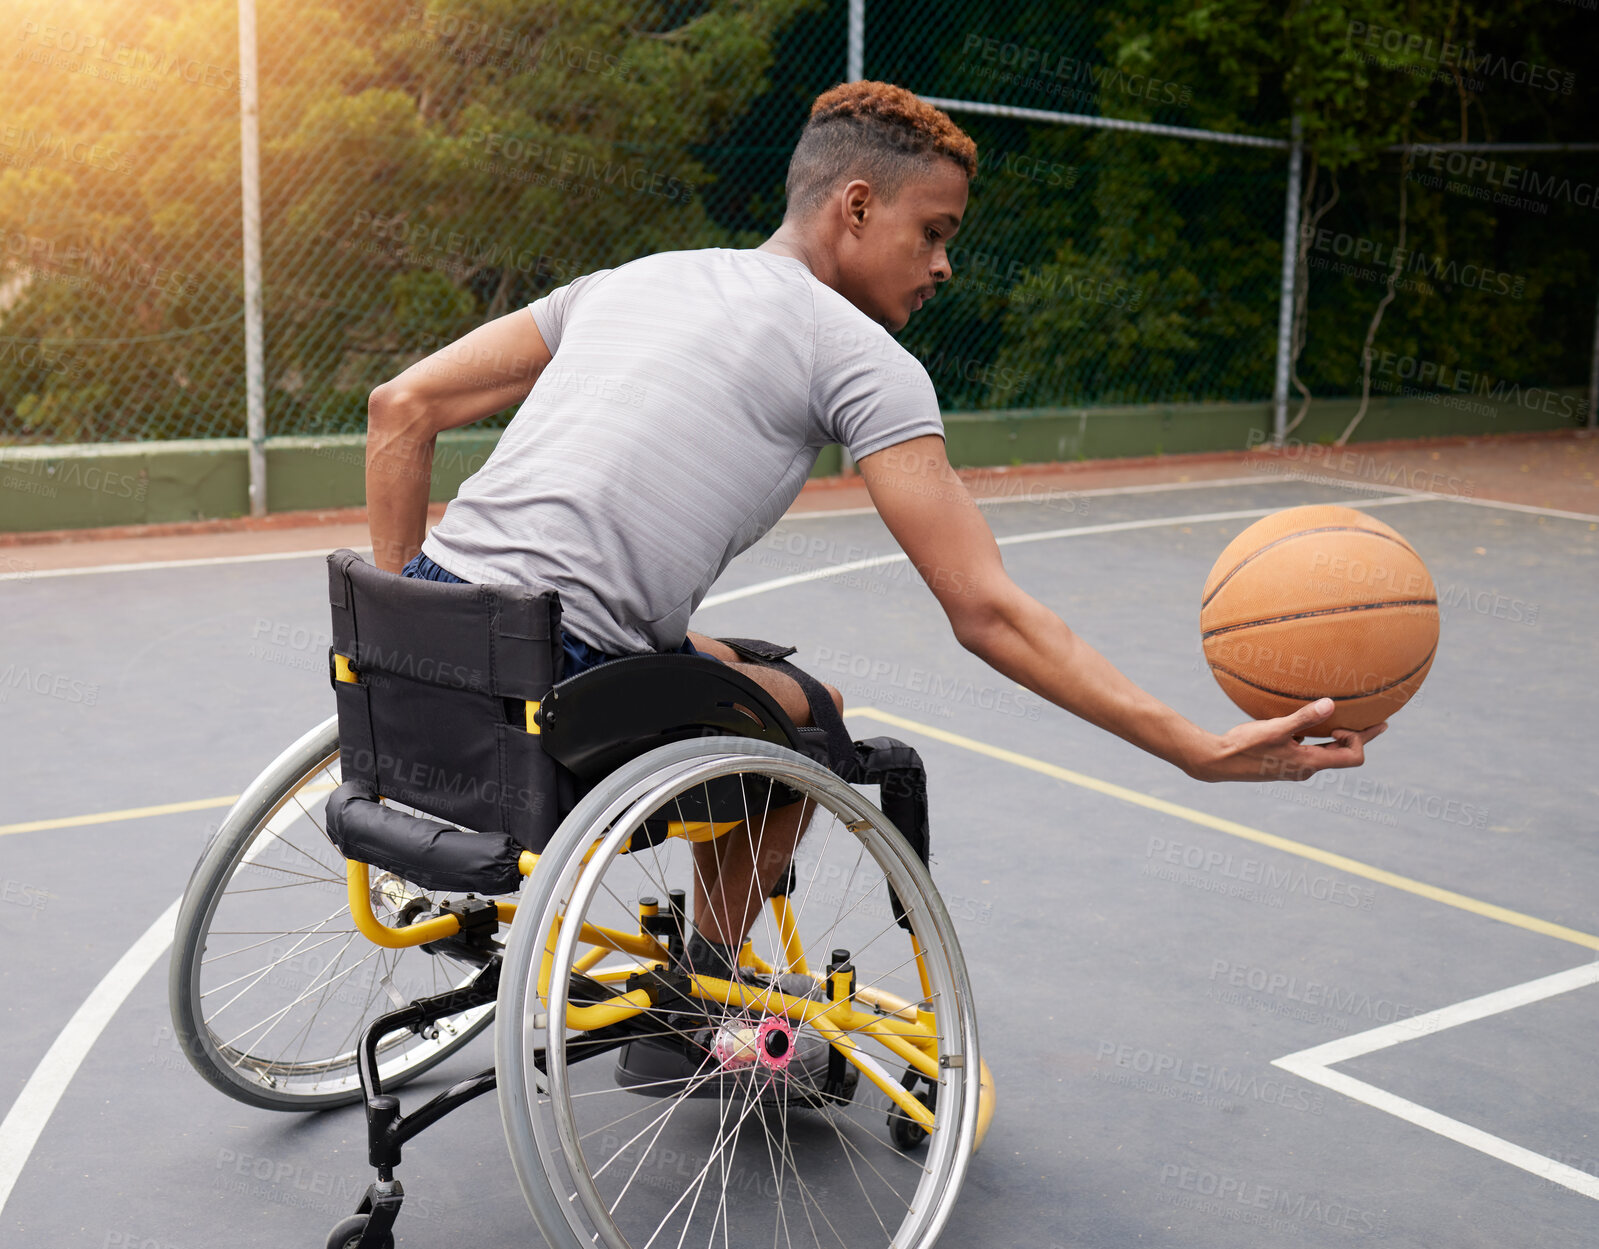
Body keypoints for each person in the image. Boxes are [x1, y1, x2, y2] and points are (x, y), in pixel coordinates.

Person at [363, 80, 1385, 997]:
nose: (943, 266)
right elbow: (987, 612)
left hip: (437, 645)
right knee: (812, 723)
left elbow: (400, 406)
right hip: (564, 671)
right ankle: (702, 987)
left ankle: (692, 946)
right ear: (857, 207)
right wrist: (1193, 747)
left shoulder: (630, 281)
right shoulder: (858, 354)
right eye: (933, 232)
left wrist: (405, 605)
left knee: (738, 665)